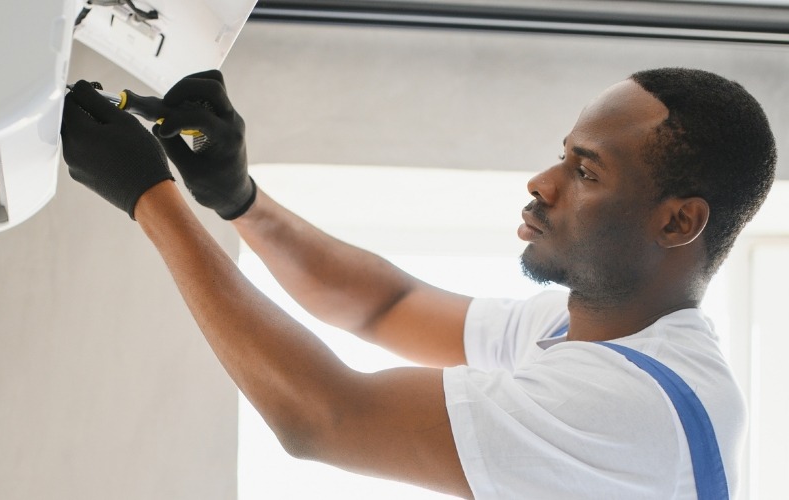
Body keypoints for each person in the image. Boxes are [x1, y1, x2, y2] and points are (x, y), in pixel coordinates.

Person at [59, 67, 777, 499]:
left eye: (585, 172)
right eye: (562, 156)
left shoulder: (631, 405)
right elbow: (385, 306)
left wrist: (148, 197)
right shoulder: (586, 329)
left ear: (679, 222)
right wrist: (238, 197)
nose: (542, 182)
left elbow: (323, 419)